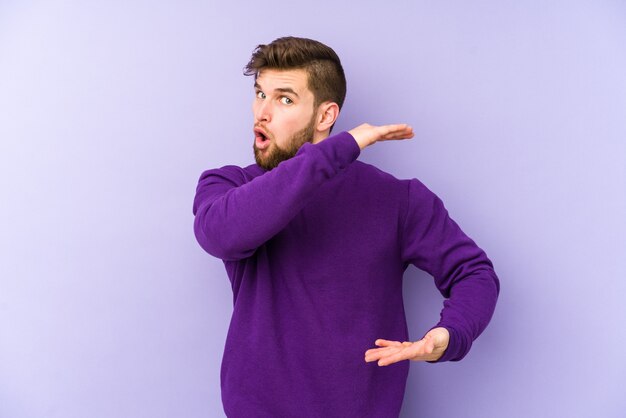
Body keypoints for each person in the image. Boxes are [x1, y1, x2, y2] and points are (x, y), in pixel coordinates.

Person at [192, 36, 500, 418]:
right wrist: (342, 148)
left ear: (325, 116)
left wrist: (449, 335)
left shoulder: (398, 199)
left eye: (284, 99)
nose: (262, 113)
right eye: (260, 94)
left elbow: (474, 273)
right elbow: (222, 234)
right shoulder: (229, 185)